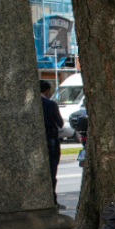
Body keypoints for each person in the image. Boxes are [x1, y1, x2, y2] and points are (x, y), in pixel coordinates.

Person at [40, 80, 66, 208]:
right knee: (51, 171)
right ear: (47, 90)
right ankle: (52, 201)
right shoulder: (50, 104)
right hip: (50, 138)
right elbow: (60, 123)